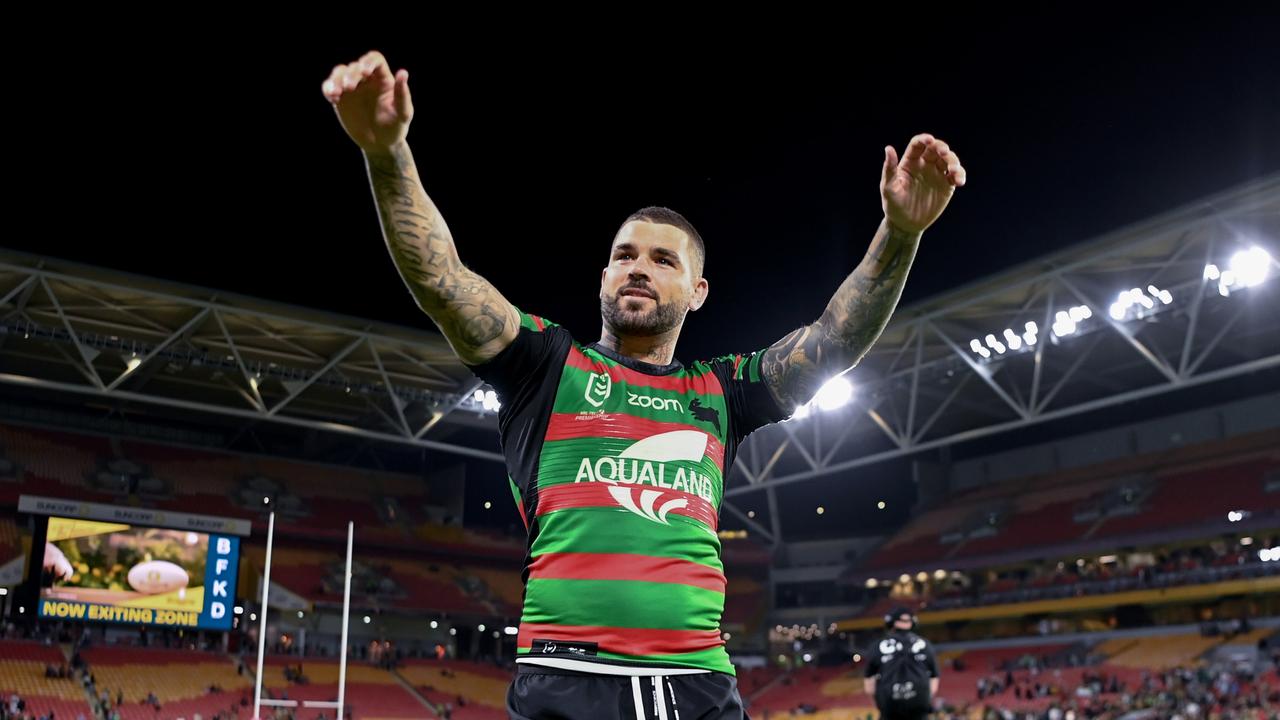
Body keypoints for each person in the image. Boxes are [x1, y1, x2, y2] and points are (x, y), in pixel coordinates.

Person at [323, 51, 965, 720]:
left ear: (698, 291)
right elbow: (443, 282)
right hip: (564, 681)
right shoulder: (545, 365)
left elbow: (832, 341)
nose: (638, 268)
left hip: (698, 685)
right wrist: (387, 153)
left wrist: (901, 232)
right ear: (603, 278)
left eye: (663, 260)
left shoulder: (723, 391)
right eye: (624, 256)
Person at [864, 606, 940, 720]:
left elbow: (869, 687)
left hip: (890, 704)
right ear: (913, 623)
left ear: (890, 623)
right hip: (919, 704)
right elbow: (934, 679)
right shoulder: (925, 644)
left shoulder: (878, 646)